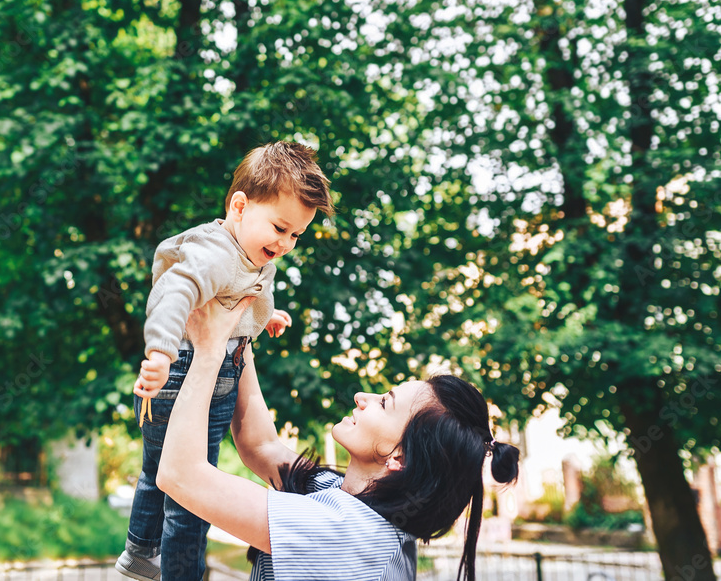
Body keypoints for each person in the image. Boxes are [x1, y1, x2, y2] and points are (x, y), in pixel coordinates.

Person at [156, 296, 520, 581]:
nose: (363, 398)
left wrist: (208, 349)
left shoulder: (348, 534)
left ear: (399, 457)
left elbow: (178, 475)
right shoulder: (349, 500)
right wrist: (242, 330)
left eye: (384, 402)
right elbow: (259, 446)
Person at [115, 142, 335, 581]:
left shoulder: (253, 250)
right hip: (184, 369)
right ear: (239, 206)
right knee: (191, 492)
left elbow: (239, 291)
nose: (286, 243)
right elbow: (175, 291)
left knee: (162, 469)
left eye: (296, 235)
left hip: (218, 369)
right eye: (280, 228)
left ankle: (139, 553)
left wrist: (261, 316)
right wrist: (159, 350)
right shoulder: (215, 251)